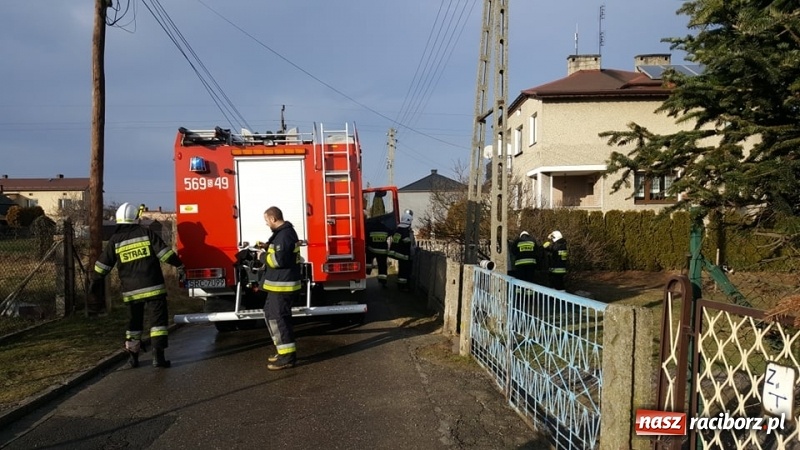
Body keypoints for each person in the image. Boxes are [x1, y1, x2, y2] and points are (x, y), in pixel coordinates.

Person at [90, 202, 185, 369]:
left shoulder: (115, 241)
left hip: (131, 292)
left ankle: (133, 358)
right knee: (158, 323)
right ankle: (158, 357)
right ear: (136, 218)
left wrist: (94, 284)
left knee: (134, 324)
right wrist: (179, 265)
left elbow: (101, 267)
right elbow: (165, 254)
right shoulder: (146, 233)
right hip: (154, 287)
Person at [258, 206, 301, 370]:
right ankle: (282, 351)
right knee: (271, 315)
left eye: (267, 220)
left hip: (282, 286)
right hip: (277, 285)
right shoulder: (282, 234)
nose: (266, 224)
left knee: (279, 320)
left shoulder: (284, 235)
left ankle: (288, 357)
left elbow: (278, 261)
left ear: (273, 218)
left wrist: (261, 256)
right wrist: (266, 247)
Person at [389, 211, 415, 291]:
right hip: (404, 255)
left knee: (402, 271)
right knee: (404, 271)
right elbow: (407, 242)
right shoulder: (405, 231)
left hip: (399, 253)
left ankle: (401, 285)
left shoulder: (399, 229)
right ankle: (403, 287)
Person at [365, 215, 391, 287]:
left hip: (372, 249)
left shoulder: (370, 228)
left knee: (369, 260)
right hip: (382, 251)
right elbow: (390, 232)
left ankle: (368, 271)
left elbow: (366, 237)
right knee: (382, 266)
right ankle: (383, 281)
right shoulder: (385, 228)